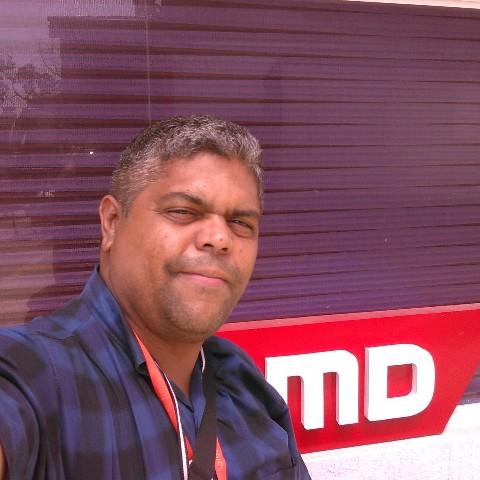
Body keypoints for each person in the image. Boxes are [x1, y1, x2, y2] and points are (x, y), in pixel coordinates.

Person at [0, 116, 311, 479]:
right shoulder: (36, 375)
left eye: (241, 223)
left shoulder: (246, 387)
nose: (219, 238)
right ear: (112, 222)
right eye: (183, 211)